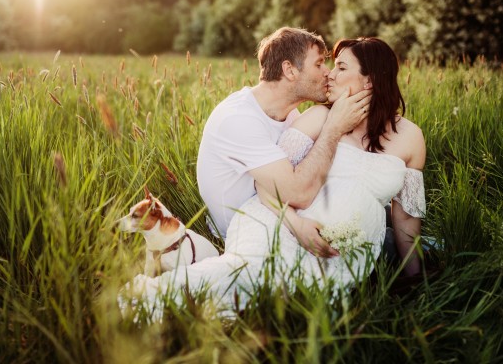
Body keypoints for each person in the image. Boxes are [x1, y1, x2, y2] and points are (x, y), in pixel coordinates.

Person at [119, 37, 426, 319]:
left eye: (340, 67)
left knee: (294, 300)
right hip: (282, 223)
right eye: (325, 64)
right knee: (254, 276)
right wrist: (297, 226)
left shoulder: (410, 137)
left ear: (370, 79)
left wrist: (417, 282)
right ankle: (153, 299)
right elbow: (266, 185)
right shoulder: (318, 118)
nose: (330, 74)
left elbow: (406, 219)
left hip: (344, 250)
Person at [196, 27, 371, 256]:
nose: (327, 73)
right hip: (249, 234)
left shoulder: (290, 116)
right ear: (289, 70)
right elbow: (298, 194)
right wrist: (334, 128)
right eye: (318, 64)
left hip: (280, 217)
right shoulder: (238, 119)